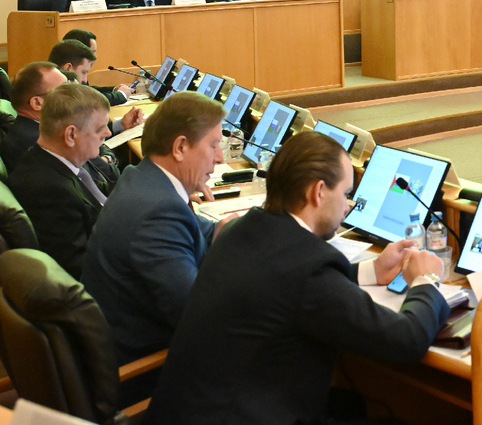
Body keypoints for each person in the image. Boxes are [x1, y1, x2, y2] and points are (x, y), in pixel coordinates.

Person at [145, 132, 450, 425]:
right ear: (318, 192)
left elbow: (284, 282)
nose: (347, 206)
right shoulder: (309, 269)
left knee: (351, 403)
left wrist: (373, 270)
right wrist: (426, 279)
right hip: (238, 414)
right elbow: (406, 339)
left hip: (192, 410)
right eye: (345, 194)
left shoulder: (240, 230)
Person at [82, 92, 232, 364]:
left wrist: (260, 227)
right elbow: (198, 318)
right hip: (149, 368)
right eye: (213, 145)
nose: (220, 158)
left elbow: (207, 231)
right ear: (180, 147)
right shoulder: (158, 213)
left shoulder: (142, 178)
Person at [8, 84, 112, 278]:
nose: (108, 133)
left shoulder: (55, 159)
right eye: (100, 128)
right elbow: (79, 268)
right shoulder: (49, 191)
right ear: (71, 135)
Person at [0, 62, 67, 177]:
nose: (74, 96)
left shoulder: (35, 131)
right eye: (64, 91)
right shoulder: (40, 143)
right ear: (37, 103)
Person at [62, 28, 135, 105]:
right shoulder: (61, 80)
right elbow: (89, 100)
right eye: (92, 52)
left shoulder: (76, 69)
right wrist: (121, 94)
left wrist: (114, 89)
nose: (95, 57)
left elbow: (88, 91)